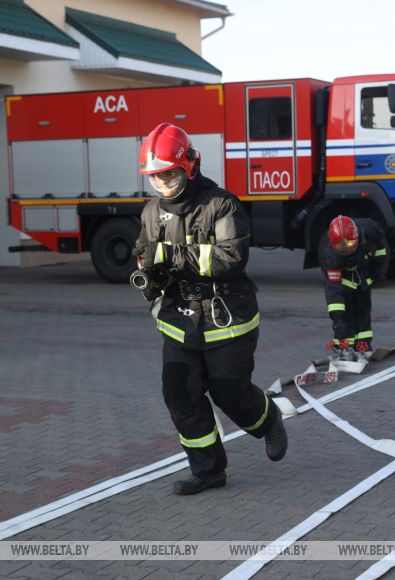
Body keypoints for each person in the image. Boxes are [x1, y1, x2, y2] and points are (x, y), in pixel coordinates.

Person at [133, 123, 287, 495]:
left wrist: (171, 256)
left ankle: (268, 421)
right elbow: (144, 254)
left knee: (229, 393)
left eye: (169, 174)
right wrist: (146, 275)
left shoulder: (221, 204)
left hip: (226, 317)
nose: (163, 183)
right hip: (179, 320)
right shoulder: (151, 213)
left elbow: (231, 258)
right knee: (180, 396)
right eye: (155, 177)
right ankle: (209, 471)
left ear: (188, 165)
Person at [320, 216, 388, 361]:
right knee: (346, 315)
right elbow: (334, 293)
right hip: (343, 278)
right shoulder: (330, 256)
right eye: (341, 248)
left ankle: (363, 347)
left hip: (363, 272)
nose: (346, 249)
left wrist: (374, 276)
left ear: (356, 237)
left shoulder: (370, 231)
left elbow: (381, 254)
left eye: (350, 245)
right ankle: (343, 347)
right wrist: (338, 322)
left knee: (363, 312)